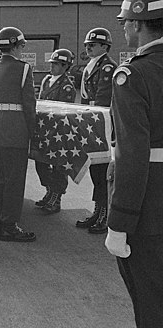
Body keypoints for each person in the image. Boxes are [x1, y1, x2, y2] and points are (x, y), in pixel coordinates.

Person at [106, 0, 163, 327]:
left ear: (139, 24)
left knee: (151, 304)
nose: (125, 27)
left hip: (149, 213)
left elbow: (131, 156)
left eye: (127, 21)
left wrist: (120, 223)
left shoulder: (133, 75)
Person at [0, 27, 37, 242]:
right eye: (22, 46)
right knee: (14, 181)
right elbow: (29, 105)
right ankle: (9, 226)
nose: (22, 50)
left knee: (1, 179)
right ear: (16, 46)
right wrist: (33, 134)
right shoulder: (23, 69)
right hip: (13, 132)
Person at [76, 27, 117, 234]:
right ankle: (97, 211)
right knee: (94, 169)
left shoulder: (107, 67)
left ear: (105, 46)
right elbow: (84, 97)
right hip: (91, 118)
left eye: (93, 45)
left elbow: (102, 97)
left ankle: (105, 215)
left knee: (102, 171)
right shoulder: (91, 66)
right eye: (87, 45)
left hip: (101, 120)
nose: (89, 48)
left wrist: (91, 118)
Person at [34, 49, 76, 214]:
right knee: (41, 163)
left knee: (59, 166)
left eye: (57, 64)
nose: (53, 67)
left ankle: (56, 197)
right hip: (44, 129)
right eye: (52, 64)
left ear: (65, 67)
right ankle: (49, 191)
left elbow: (64, 111)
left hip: (58, 131)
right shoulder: (46, 80)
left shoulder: (66, 86)